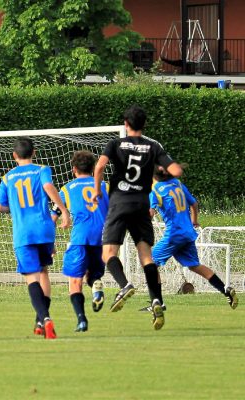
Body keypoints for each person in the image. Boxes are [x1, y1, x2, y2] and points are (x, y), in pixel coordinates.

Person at [91, 105, 183, 330]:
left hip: (120, 203)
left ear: (126, 123)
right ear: (144, 125)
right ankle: (156, 300)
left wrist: (97, 190)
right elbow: (176, 171)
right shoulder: (153, 146)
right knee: (146, 257)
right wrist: (161, 169)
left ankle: (124, 285)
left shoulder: (115, 144)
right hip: (142, 204)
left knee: (108, 253)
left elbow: (100, 166)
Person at [0, 137, 70, 339]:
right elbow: (47, 187)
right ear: (34, 153)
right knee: (44, 272)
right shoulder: (42, 170)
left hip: (24, 233)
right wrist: (63, 210)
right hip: (44, 229)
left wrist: (17, 207)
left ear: (14, 156)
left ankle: (45, 318)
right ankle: (39, 320)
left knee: (31, 278)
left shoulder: (7, 177)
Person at [148, 165, 238, 309]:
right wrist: (194, 221)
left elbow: (151, 214)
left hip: (174, 234)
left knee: (150, 262)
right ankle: (225, 290)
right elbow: (194, 203)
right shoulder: (178, 184)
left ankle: (158, 303)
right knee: (195, 266)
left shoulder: (156, 190)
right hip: (188, 233)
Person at [56, 151, 109, 332]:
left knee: (75, 280)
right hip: (102, 238)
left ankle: (81, 319)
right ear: (94, 168)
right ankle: (97, 287)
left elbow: (54, 215)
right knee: (93, 275)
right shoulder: (105, 186)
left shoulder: (67, 189)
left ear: (74, 169)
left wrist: (48, 240)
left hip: (80, 238)